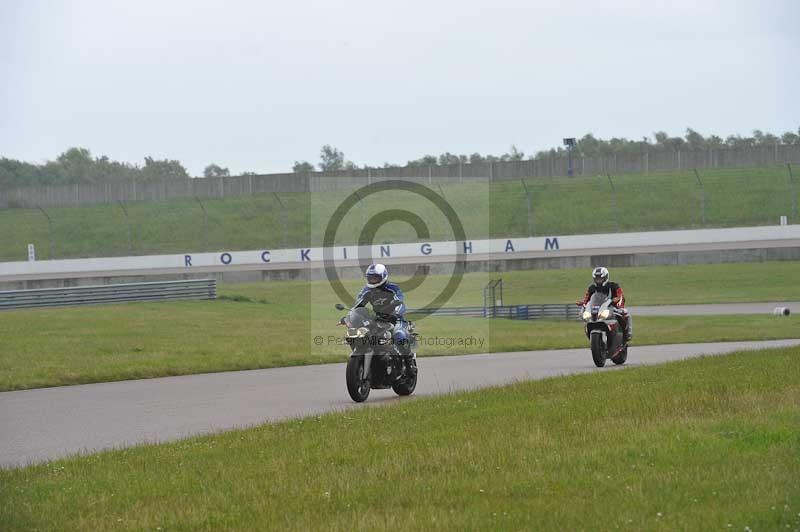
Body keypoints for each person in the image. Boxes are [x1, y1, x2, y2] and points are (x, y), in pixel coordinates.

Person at [352, 263, 415, 359]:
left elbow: (400, 302)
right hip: (378, 320)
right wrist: (349, 316)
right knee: (362, 335)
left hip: (396, 319)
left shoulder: (393, 288)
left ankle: (409, 361)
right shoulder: (366, 290)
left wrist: (396, 314)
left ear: (383, 276)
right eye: (370, 278)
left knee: (399, 335)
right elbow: (357, 306)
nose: (372, 280)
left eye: (375, 278)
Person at [576, 266, 632, 342]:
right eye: (597, 278)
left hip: (612, 307)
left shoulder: (614, 286)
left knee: (625, 314)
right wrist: (583, 304)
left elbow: (621, 296)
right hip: (597, 309)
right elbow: (587, 299)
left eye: (600, 278)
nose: (598, 280)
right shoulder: (592, 288)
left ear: (605, 277)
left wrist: (618, 302)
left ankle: (627, 333)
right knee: (587, 319)